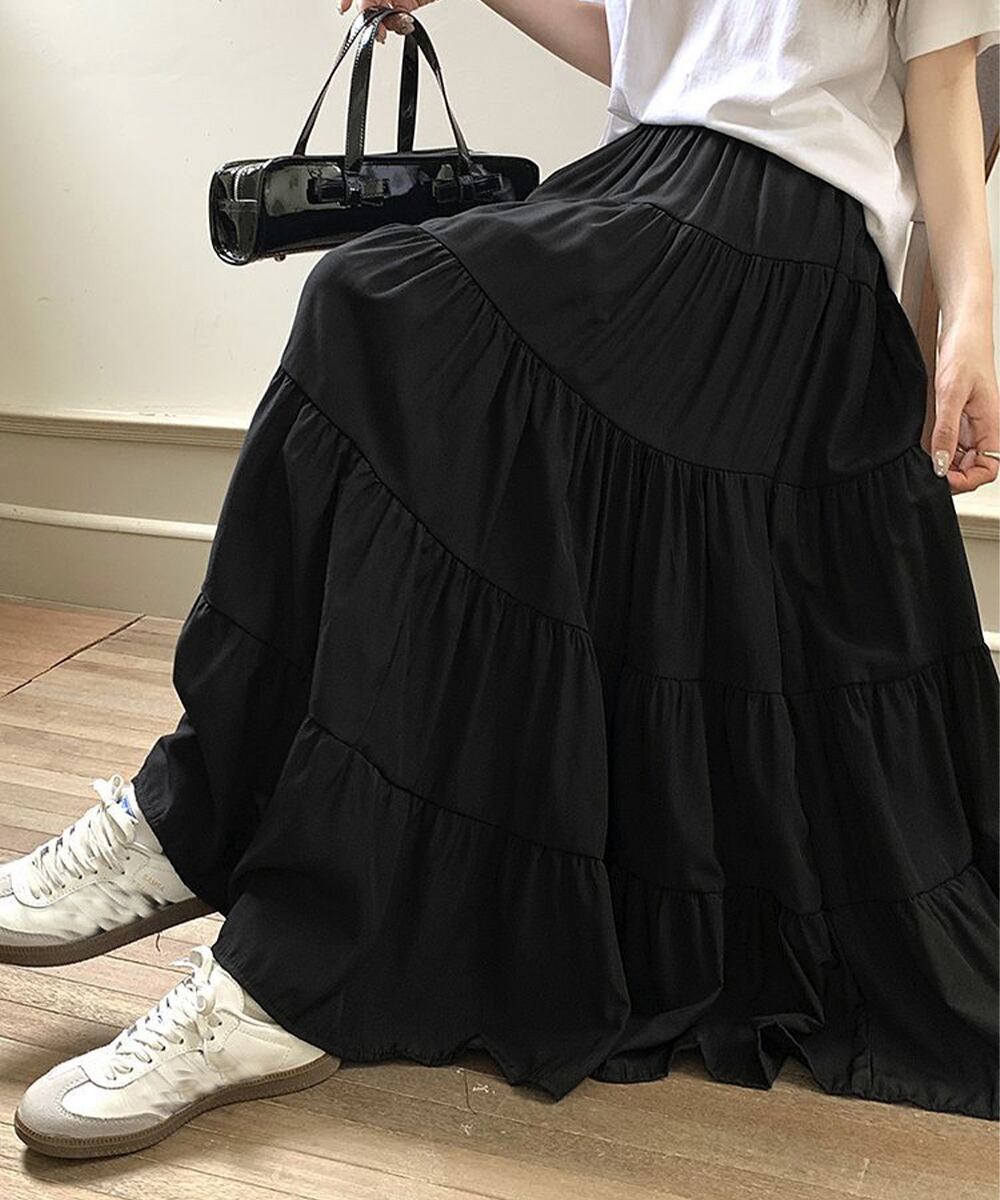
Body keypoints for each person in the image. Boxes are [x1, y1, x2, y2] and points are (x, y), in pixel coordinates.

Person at [5, 0, 999, 1159]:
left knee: (380, 306)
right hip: (645, 175)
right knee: (428, 431)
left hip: (784, 229)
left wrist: (966, 319)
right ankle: (216, 842)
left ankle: (273, 934)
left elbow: (947, 85)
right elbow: (637, 49)